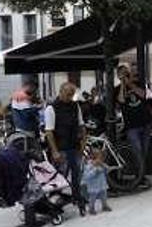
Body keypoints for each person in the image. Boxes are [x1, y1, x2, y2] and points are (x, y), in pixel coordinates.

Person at [44, 82, 87, 216]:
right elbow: (49, 131)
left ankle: (77, 197)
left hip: (74, 145)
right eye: (68, 94)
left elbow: (81, 125)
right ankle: (56, 201)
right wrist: (55, 151)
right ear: (61, 92)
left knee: (77, 175)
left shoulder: (75, 106)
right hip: (61, 147)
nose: (70, 97)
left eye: (72, 94)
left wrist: (83, 143)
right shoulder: (51, 108)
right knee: (60, 178)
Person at [115, 65, 151, 158]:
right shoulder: (118, 89)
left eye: (126, 72)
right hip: (131, 126)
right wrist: (123, 84)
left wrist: (130, 84)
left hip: (144, 122)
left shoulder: (138, 83)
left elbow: (143, 95)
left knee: (144, 152)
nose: (125, 75)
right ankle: (140, 172)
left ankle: (141, 172)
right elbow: (121, 100)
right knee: (138, 152)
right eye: (122, 73)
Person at [81, 148, 111, 215]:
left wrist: (104, 167)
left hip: (102, 184)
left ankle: (104, 205)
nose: (99, 159)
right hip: (93, 186)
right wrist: (95, 171)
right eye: (97, 156)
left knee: (104, 196)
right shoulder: (89, 165)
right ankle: (91, 208)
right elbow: (87, 176)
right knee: (92, 198)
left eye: (100, 157)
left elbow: (107, 170)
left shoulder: (101, 164)